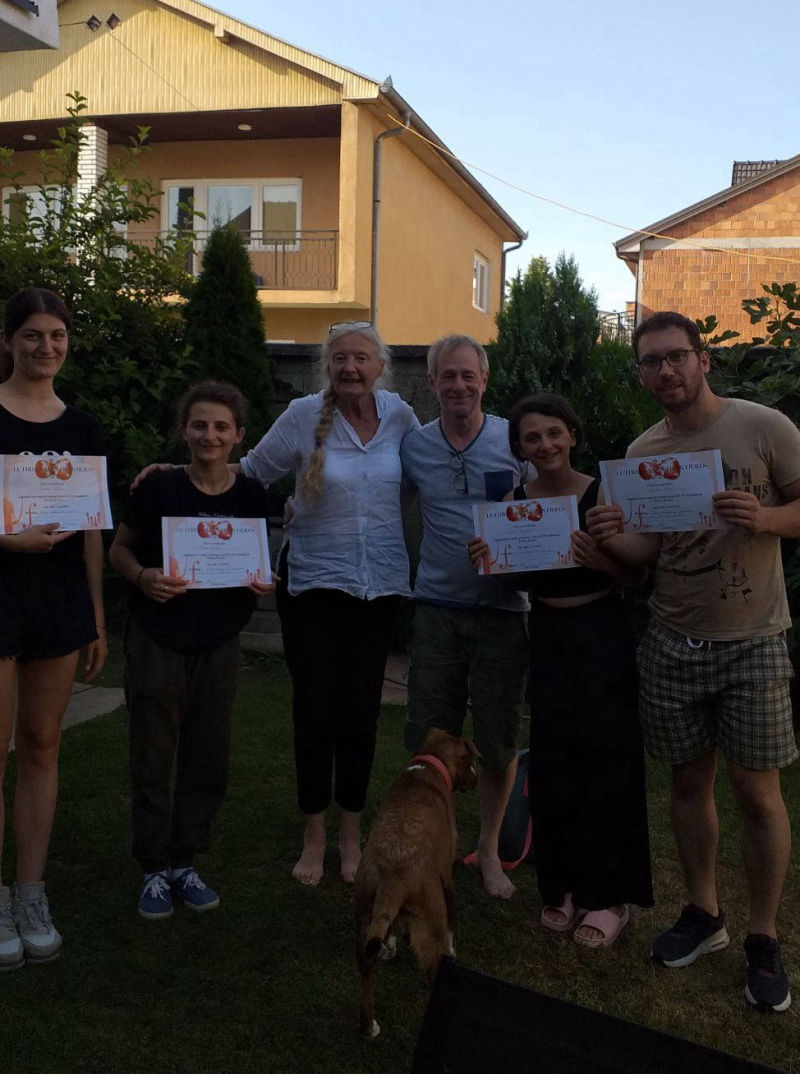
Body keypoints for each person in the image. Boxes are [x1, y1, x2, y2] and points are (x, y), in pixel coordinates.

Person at [587, 311, 800, 1010]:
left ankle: (764, 938)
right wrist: (611, 537)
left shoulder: (763, 426)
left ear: (703, 360)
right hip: (672, 639)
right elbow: (648, 554)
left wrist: (765, 519)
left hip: (752, 639)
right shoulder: (643, 450)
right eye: (651, 362)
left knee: (757, 793)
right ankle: (704, 914)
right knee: (687, 783)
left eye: (676, 356)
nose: (665, 371)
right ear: (642, 374)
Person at [469, 393, 653, 944]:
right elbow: (517, 579)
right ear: (520, 448)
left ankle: (609, 896)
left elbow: (637, 576)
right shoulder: (513, 502)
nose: (545, 444)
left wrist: (602, 560)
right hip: (548, 634)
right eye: (532, 437)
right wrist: (489, 561)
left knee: (607, 760)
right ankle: (563, 887)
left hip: (602, 632)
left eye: (554, 432)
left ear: (572, 434)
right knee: (555, 762)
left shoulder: (603, 495)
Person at [239, 323, 419, 886]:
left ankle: (350, 835)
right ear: (327, 365)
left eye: (361, 358)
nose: (350, 368)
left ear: (380, 366)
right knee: (315, 712)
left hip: (377, 586)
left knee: (360, 715)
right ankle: (314, 835)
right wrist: (180, 477)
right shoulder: (301, 415)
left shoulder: (400, 416)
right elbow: (249, 475)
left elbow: (427, 474)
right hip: (313, 585)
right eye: (340, 358)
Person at [110, 381, 274, 919]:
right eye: (200, 424)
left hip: (219, 642)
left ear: (239, 435)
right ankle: (153, 866)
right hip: (158, 637)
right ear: (184, 430)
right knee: (153, 753)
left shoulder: (251, 495)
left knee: (208, 754)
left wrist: (259, 580)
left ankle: (185, 860)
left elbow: (255, 560)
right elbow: (119, 550)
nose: (210, 435)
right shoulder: (159, 488)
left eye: (221, 426)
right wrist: (142, 576)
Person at [400, 334, 529, 900]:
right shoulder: (414, 447)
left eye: (467, 375)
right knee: (431, 736)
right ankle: (439, 842)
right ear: (432, 382)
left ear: (484, 379)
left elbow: (547, 505)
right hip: (437, 608)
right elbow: (380, 502)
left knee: (498, 738)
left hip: (503, 611)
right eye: (447, 375)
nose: (458, 385)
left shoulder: (513, 440)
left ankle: (491, 849)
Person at [0, 287, 106, 969]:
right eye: (33, 335)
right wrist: (7, 540)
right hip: (0, 591)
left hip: (60, 597)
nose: (46, 347)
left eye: (57, 335)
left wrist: (96, 613)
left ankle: (29, 891)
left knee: (42, 744)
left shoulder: (83, 427)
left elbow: (93, 528)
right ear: (9, 342)